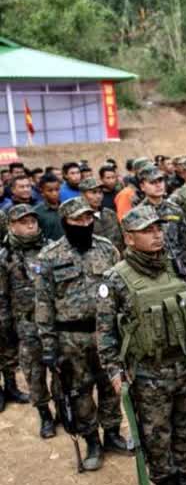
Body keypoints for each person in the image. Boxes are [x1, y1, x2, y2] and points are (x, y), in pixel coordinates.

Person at [96, 205, 186, 485]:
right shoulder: (115, 278)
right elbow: (105, 331)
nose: (157, 234)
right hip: (148, 370)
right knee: (156, 431)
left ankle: (185, 475)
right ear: (129, 238)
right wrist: (114, 371)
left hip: (185, 365)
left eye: (158, 228)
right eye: (148, 230)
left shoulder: (174, 266)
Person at [34, 197, 129, 470]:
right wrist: (49, 347)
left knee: (111, 387)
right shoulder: (49, 257)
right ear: (66, 222)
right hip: (71, 338)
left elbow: (121, 291)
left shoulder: (107, 249)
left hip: (106, 334)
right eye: (78, 220)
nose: (85, 224)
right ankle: (92, 441)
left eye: (88, 218)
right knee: (79, 392)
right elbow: (43, 304)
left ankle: (112, 434)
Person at [0, 204, 40, 413]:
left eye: (32, 221)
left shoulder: (48, 249)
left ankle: (12, 388)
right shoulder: (5, 256)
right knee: (29, 365)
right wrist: (5, 323)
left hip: (48, 320)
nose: (30, 226)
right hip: (21, 320)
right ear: (11, 226)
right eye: (24, 223)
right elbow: (2, 295)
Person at [80, 178, 122, 252]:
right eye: (94, 192)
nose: (98, 196)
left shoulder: (109, 213)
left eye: (100, 192)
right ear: (83, 195)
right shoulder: (81, 219)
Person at [33, 173, 64, 241]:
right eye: (50, 191)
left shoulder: (66, 207)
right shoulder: (36, 212)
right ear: (42, 192)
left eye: (57, 189)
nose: (54, 193)